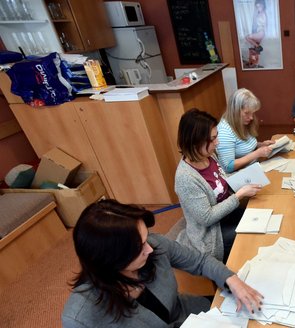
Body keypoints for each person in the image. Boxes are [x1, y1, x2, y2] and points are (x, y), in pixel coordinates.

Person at [62, 199, 263, 327]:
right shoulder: (80, 316)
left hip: (193, 315)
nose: (149, 249)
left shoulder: (154, 245)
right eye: (139, 247)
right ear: (110, 259)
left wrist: (232, 279)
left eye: (145, 238)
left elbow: (199, 261)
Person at [175, 109, 262, 262]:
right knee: (253, 234)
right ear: (196, 141)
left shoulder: (208, 156)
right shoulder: (186, 178)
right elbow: (207, 218)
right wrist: (239, 195)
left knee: (261, 217)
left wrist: (247, 176)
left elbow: (222, 181)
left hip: (226, 214)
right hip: (210, 234)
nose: (218, 142)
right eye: (213, 139)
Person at [216, 88, 275, 173]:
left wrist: (260, 145)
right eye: (247, 113)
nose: (251, 117)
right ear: (235, 111)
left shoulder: (242, 122)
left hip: (254, 166)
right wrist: (257, 153)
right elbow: (228, 167)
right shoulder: (224, 132)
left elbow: (242, 145)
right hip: (240, 174)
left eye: (252, 113)